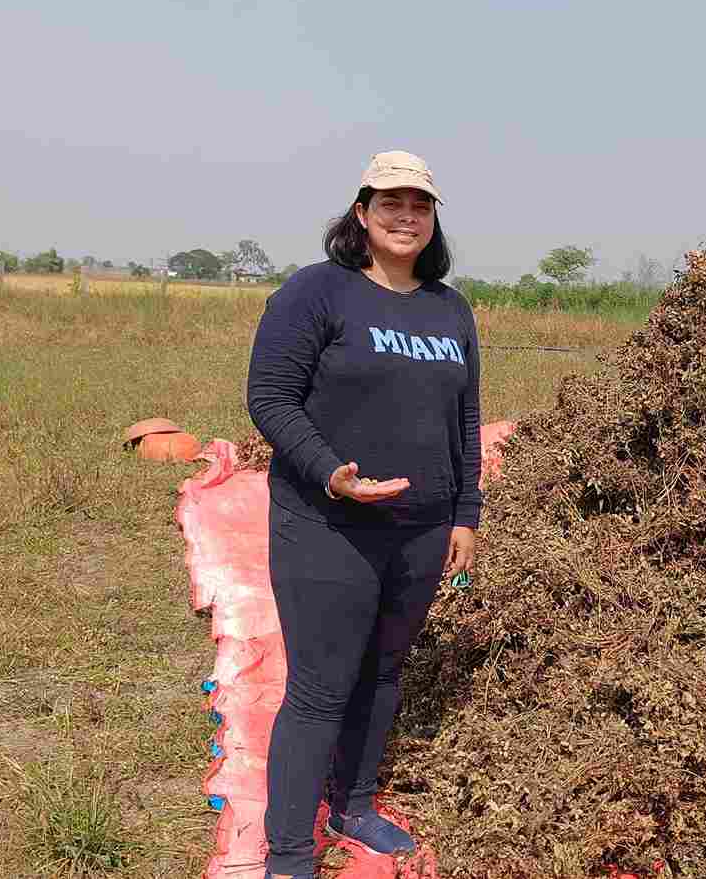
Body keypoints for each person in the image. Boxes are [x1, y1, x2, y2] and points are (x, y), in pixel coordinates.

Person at [245, 150, 482, 879]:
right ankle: (289, 854)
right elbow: (270, 396)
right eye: (390, 202)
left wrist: (465, 514)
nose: (405, 215)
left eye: (420, 203)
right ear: (361, 212)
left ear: (433, 217)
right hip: (328, 525)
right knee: (320, 685)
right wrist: (332, 474)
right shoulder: (318, 293)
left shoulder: (450, 308)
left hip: (419, 530)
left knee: (383, 672)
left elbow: (466, 418)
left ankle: (352, 805)